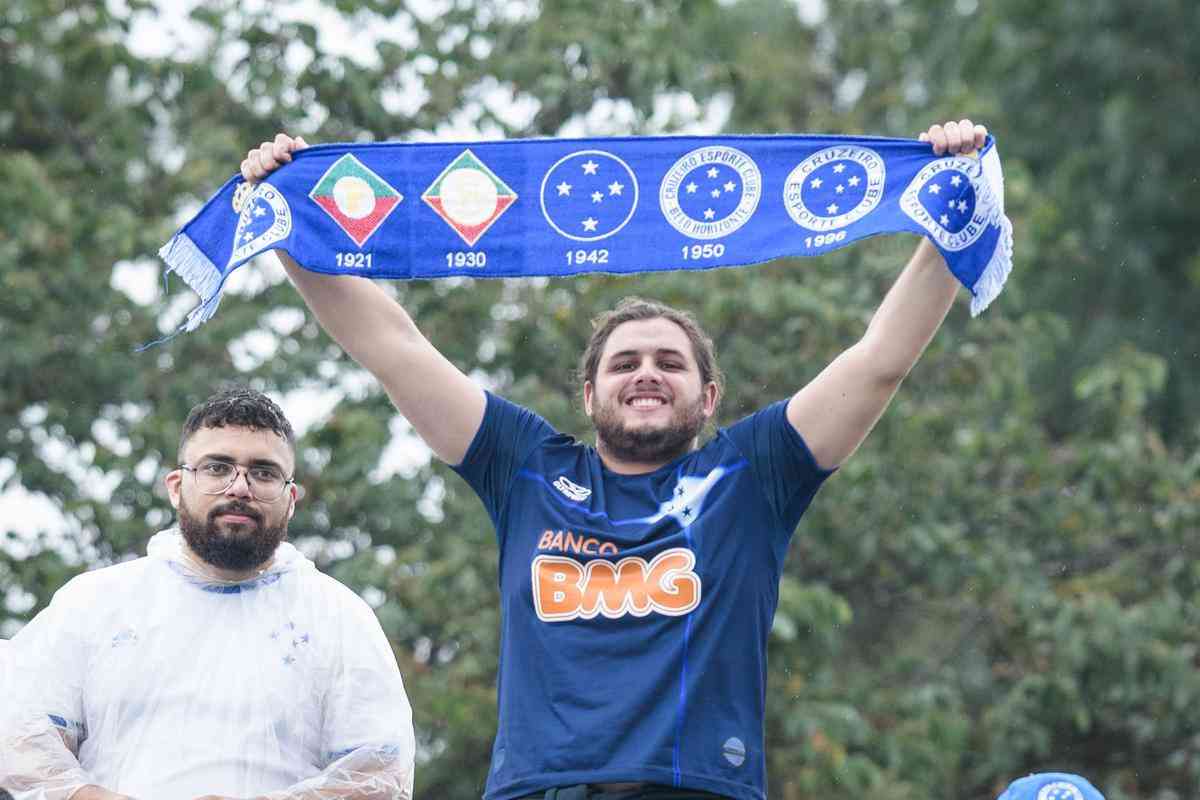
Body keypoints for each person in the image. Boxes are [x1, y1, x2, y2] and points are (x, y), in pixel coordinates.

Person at [240, 120, 987, 800]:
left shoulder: (751, 474)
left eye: (671, 362)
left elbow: (879, 360)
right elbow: (392, 347)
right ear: (590, 392)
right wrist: (288, 225)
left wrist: (952, 207)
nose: (647, 373)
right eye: (625, 362)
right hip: (540, 790)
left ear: (709, 397)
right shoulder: (524, 464)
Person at [1, 388, 415, 800]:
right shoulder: (94, 602)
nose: (239, 487)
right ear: (177, 486)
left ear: (290, 500)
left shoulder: (338, 616)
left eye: (264, 472)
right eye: (217, 468)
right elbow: (18, 741)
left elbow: (382, 773)